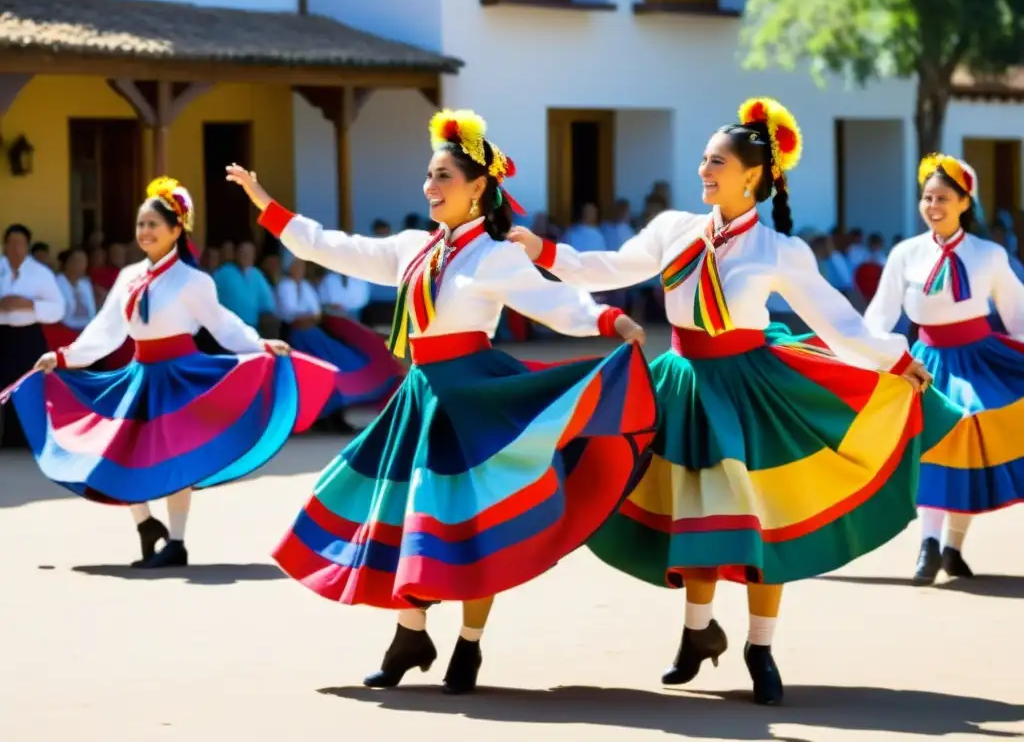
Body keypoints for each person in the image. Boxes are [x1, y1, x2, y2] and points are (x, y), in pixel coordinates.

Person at [510, 98, 952, 706]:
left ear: (752, 176)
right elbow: (607, 266)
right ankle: (698, 633)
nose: (703, 171)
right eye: (703, 160)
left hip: (749, 391)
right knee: (691, 514)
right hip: (683, 383)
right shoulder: (674, 230)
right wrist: (544, 251)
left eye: (716, 162)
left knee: (755, 525)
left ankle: (760, 648)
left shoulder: (779, 251)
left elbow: (836, 323)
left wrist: (896, 360)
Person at [226, 108, 658, 695]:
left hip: (475, 395)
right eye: (429, 176)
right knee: (412, 516)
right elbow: (335, 247)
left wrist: (612, 320)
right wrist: (265, 203)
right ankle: (411, 633)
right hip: (422, 395)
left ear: (479, 187)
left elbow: (553, 302)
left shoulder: (497, 254)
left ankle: (469, 645)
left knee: (474, 522)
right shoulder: (411, 248)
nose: (431, 187)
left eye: (444, 177)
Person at [0, 178, 339, 568]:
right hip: (139, 374)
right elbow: (106, 331)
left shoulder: (193, 281)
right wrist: (63, 357)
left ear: (177, 229)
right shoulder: (128, 277)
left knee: (176, 459)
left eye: (153, 225)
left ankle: (176, 541)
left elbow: (223, 325)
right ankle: (146, 524)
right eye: (141, 225)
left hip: (179, 375)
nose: (144, 232)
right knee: (116, 454)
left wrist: (260, 345)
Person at [864, 154, 1024, 584]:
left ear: (964, 203)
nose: (932, 206)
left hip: (978, 360)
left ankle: (952, 546)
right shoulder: (905, 254)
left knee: (969, 440)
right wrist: (875, 357)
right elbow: (880, 315)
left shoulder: (989, 255)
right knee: (934, 443)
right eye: (927, 197)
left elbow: (1017, 313)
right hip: (926, 362)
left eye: (943, 198)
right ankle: (929, 545)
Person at [276, 256, 401, 432]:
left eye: (301, 267)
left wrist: (308, 317)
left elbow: (316, 312)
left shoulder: (305, 286)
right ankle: (322, 418)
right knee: (317, 375)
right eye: (296, 267)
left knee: (343, 366)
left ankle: (335, 417)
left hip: (315, 334)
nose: (299, 270)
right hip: (299, 337)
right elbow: (289, 312)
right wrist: (305, 317)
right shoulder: (285, 286)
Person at [0, 224, 65, 448]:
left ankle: (28, 440)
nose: (16, 248)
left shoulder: (40, 273)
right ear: (5, 245)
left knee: (29, 386)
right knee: (3, 385)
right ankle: (6, 439)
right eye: (12, 243)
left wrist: (28, 304)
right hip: (3, 334)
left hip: (29, 335)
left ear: (27, 246)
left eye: (21, 243)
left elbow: (58, 308)